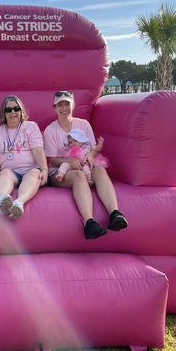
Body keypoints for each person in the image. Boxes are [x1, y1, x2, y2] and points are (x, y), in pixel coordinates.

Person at [44, 90, 128, 239]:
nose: (64, 108)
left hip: (85, 164)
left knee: (100, 170)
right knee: (79, 175)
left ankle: (115, 213)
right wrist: (70, 161)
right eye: (60, 105)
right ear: (55, 108)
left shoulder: (83, 124)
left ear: (73, 105)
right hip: (61, 171)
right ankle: (89, 222)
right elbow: (52, 160)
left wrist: (90, 155)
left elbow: (92, 148)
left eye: (67, 104)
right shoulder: (51, 130)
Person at [0, 95, 48, 219]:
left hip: (30, 170)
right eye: (8, 110)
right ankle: (3, 199)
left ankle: (19, 203)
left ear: (21, 110)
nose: (12, 112)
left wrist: (44, 169)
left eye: (16, 108)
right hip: (10, 172)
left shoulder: (31, 126)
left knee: (35, 173)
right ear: (4, 113)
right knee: (4, 173)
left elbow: (37, 150)